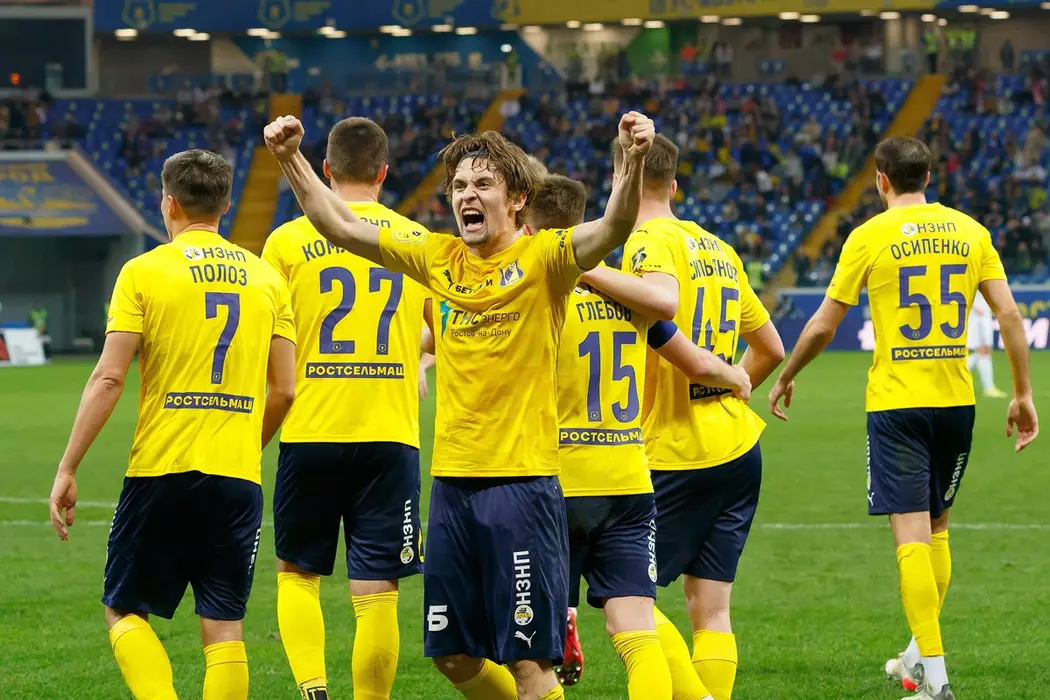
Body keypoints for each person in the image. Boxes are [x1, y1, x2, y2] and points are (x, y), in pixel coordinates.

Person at [263, 112, 655, 700]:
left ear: (517, 199)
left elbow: (615, 226)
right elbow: (338, 224)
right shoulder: (438, 256)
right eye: (460, 187)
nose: (468, 196)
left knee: (529, 664)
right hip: (451, 488)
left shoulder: (548, 258)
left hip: (521, 487)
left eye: (484, 185)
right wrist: (290, 158)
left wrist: (632, 160)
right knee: (451, 655)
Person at [768, 137, 1039, 700]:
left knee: (912, 537)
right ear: (929, 178)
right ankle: (917, 656)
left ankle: (934, 682)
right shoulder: (970, 231)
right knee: (938, 530)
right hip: (956, 402)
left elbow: (823, 324)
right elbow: (1010, 314)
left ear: (881, 180)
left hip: (897, 404)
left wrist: (788, 373)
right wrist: (1022, 393)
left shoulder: (869, 236)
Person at [47, 149, 297, 700]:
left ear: (169, 204)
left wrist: (67, 467)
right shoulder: (267, 279)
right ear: (226, 206)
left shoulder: (143, 272)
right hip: (237, 478)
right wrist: (244, 444)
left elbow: (109, 378)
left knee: (123, 610)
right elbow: (284, 390)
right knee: (224, 628)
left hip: (162, 469)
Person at [524, 174, 751, 700]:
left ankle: (562, 617)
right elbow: (696, 363)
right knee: (638, 634)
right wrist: (735, 375)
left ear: (530, 230)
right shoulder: (629, 298)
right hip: (628, 481)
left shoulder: (536, 296)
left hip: (557, 480)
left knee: (530, 651)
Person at [584, 135, 786, 700]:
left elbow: (660, 300)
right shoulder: (718, 247)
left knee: (624, 598)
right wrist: (730, 384)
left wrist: (586, 269)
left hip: (674, 450)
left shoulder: (645, 241)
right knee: (712, 608)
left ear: (621, 178)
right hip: (737, 446)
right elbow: (771, 347)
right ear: (674, 186)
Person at [261, 117, 432, 700]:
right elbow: (447, 332)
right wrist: (413, 357)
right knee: (378, 590)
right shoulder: (416, 239)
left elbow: (269, 338)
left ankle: (313, 691)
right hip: (391, 435)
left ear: (326, 169)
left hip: (311, 428)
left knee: (297, 575)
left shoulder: (287, 242)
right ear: (384, 172)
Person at [966, 290, 1006, 398]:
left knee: (985, 350)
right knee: (982, 350)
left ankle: (989, 387)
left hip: (984, 313)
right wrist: (973, 307)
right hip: (976, 315)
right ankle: (989, 388)